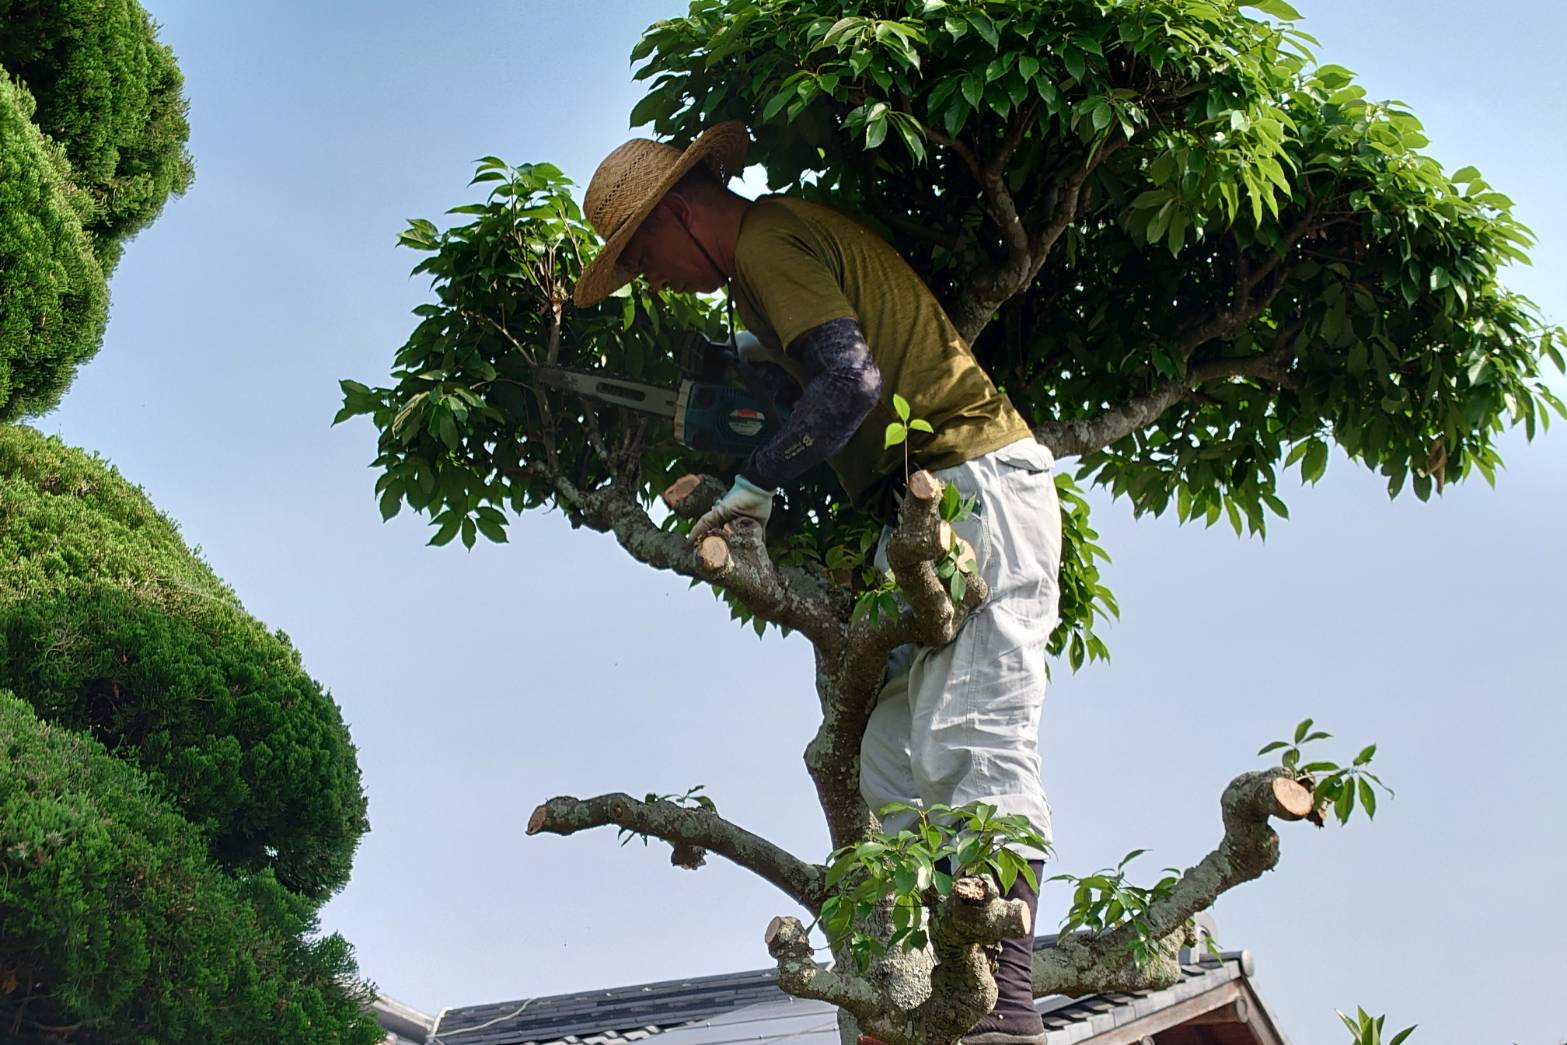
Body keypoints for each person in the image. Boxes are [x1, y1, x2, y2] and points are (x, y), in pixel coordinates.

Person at [573, 122, 1062, 1045]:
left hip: (974, 487)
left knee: (973, 731)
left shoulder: (766, 240)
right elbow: (833, 379)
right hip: (919, 511)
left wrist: (757, 480)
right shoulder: (772, 263)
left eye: (644, 259)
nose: (656, 281)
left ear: (679, 211)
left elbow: (847, 377)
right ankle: (924, 993)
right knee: (887, 765)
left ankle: (1009, 1004)